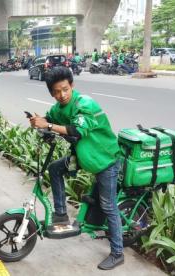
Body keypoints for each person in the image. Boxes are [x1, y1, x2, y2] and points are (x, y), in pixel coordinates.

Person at [29, 67, 124, 270]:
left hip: (105, 159)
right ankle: (61, 214)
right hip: (85, 157)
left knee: (108, 206)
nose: (61, 95)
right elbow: (50, 119)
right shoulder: (58, 107)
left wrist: (47, 126)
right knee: (55, 169)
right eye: (56, 91)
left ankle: (117, 253)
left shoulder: (85, 103)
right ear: (51, 93)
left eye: (65, 89)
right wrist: (39, 123)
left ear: (72, 85)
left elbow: (76, 130)